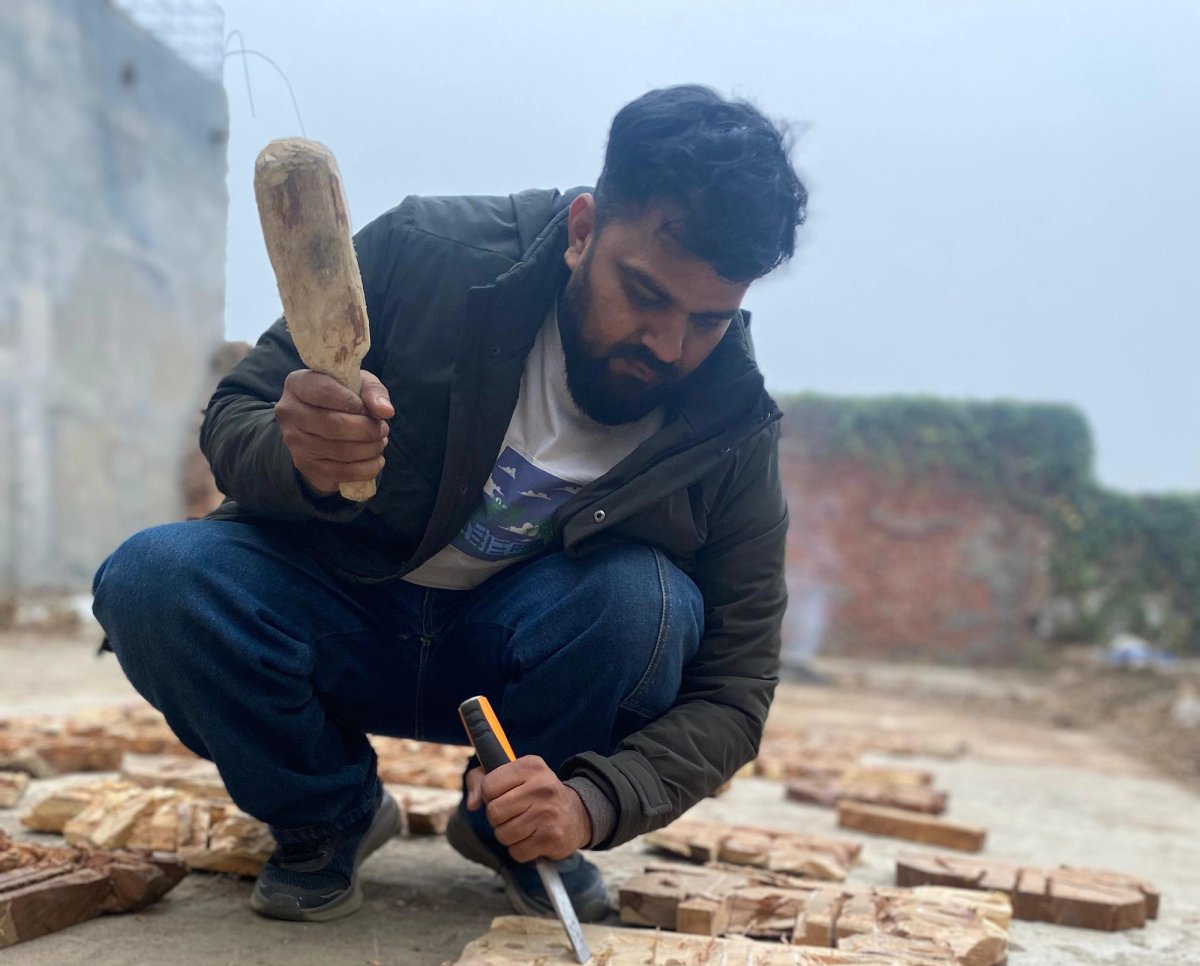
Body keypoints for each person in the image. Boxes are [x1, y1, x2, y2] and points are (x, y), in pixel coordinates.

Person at [93, 85, 807, 923]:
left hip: (517, 678)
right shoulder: (424, 252)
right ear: (582, 231)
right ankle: (329, 816)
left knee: (645, 605)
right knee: (155, 578)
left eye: (708, 320)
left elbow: (737, 685)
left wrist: (594, 802)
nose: (668, 345)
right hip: (341, 615)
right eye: (645, 296)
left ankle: (512, 832)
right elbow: (237, 418)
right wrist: (297, 449)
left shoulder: (728, 420)